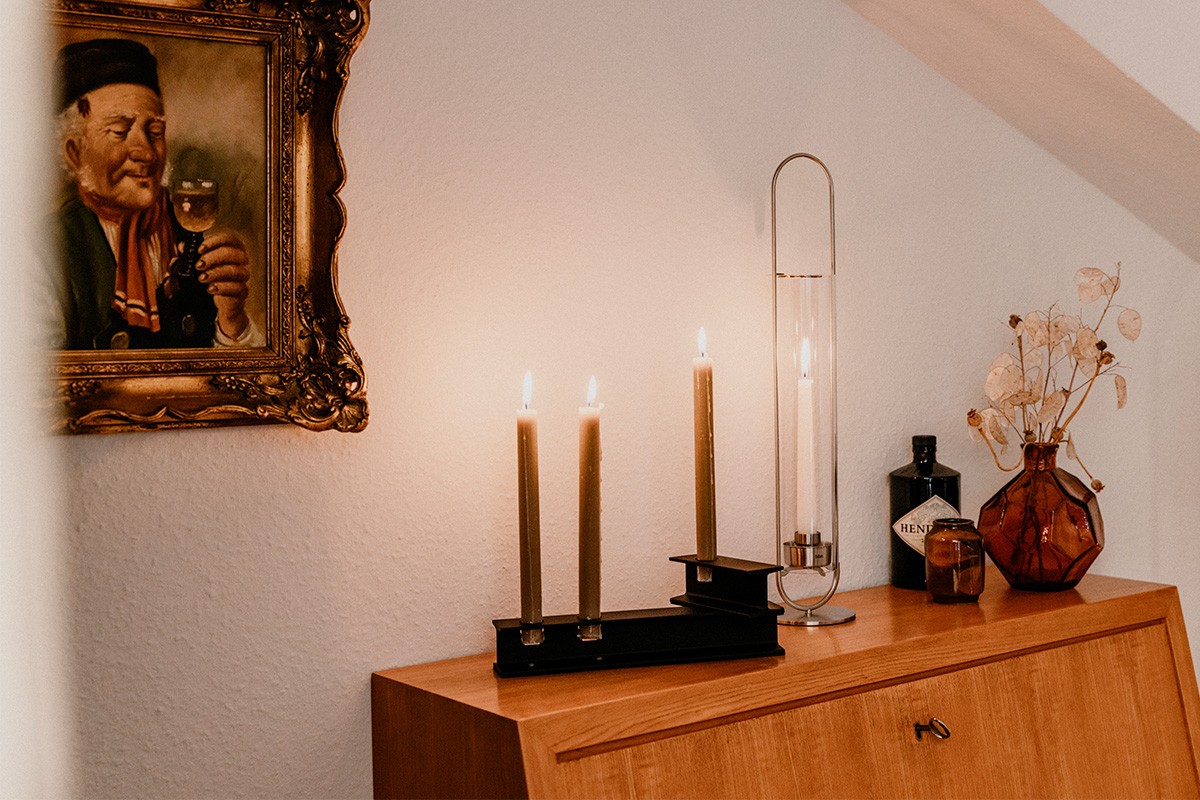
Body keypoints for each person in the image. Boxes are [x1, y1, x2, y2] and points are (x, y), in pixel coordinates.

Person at [47, 37, 261, 349]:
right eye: (120, 132)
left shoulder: (188, 233)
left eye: (155, 132)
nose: (147, 153)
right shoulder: (41, 251)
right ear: (75, 152)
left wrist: (232, 319)